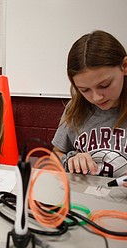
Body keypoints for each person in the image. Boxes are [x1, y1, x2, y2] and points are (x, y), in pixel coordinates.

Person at [52, 30, 127, 187]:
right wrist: (70, 160)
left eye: (104, 85)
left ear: (124, 66)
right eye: (84, 90)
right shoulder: (76, 108)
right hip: (85, 201)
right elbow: (55, 155)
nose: (96, 97)